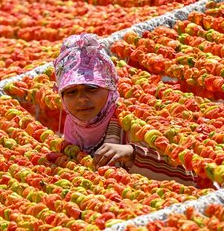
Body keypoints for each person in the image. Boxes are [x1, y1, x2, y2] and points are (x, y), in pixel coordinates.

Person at [52, 33, 203, 187]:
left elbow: (190, 174)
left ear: (109, 88)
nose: (81, 99)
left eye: (91, 88)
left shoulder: (138, 121)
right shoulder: (72, 128)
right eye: (71, 92)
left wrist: (133, 154)